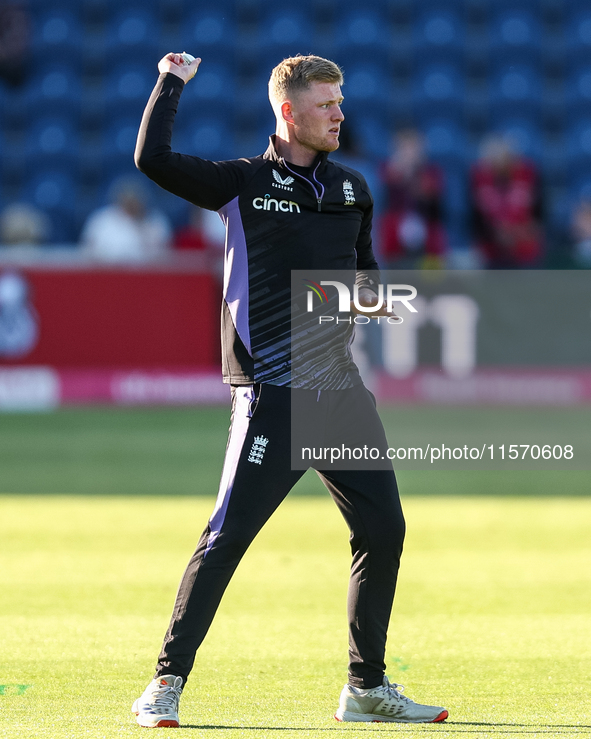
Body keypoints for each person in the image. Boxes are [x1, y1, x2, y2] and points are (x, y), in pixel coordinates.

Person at [131, 52, 448, 728]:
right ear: (288, 111)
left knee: (382, 528)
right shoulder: (241, 182)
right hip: (272, 391)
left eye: (341, 101)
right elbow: (152, 160)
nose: (340, 113)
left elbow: (364, 279)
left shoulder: (353, 188)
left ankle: (365, 688)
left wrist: (376, 301)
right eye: (327, 103)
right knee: (227, 538)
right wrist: (170, 83)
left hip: (339, 392)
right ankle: (165, 682)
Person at [470, 134, 543, 269]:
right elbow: (475, 220)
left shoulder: (528, 175)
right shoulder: (478, 178)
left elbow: (539, 217)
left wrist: (516, 233)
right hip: (490, 250)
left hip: (525, 249)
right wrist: (496, 234)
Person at [379, 129, 447, 269]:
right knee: (388, 226)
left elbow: (432, 203)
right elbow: (387, 200)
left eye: (413, 148)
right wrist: (400, 175)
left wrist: (413, 177)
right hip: (396, 224)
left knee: (433, 233)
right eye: (404, 148)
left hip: (425, 223)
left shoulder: (431, 172)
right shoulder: (388, 171)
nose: (409, 153)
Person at [80, 176, 172, 262]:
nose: (132, 203)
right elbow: (89, 254)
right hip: (108, 274)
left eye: (135, 199)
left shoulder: (156, 222)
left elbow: (163, 257)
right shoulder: (101, 220)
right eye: (128, 198)